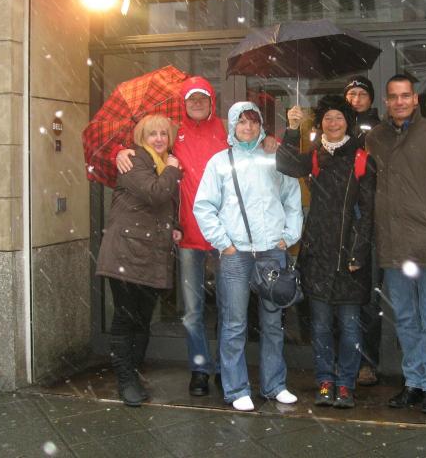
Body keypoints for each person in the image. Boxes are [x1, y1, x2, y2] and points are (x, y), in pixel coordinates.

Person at [116, 76, 228, 397]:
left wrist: (271, 141)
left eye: (202, 98)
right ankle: (200, 370)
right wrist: (121, 151)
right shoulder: (174, 134)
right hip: (187, 234)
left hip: (224, 235)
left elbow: (253, 143)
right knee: (192, 312)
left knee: (227, 310)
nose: (197, 103)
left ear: (211, 100)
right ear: (184, 103)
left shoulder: (226, 129)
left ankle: (226, 368)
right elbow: (146, 152)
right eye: (191, 99)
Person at [365, 73, 426, 415]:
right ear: (387, 100)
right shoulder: (376, 138)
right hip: (393, 245)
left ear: (415, 99)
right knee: (406, 318)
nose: (399, 102)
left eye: (405, 95)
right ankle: (414, 382)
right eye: (393, 96)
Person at [193, 102, 303, 412]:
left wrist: (288, 236)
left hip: (271, 250)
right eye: (241, 122)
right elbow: (204, 206)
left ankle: (274, 384)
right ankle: (236, 387)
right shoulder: (220, 162)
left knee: (273, 322)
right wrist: (224, 243)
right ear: (232, 126)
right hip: (236, 254)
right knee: (234, 323)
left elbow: (292, 198)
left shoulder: (274, 157)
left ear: (261, 125)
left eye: (253, 121)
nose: (248, 127)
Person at [277, 95, 376, 409]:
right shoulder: (316, 156)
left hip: (349, 257)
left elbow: (368, 213)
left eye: (339, 118)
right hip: (318, 254)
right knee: (320, 325)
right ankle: (324, 380)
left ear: (348, 122)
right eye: (328, 118)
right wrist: (292, 129)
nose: (333, 123)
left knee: (349, 326)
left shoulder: (361, 159)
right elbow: (285, 164)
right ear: (320, 124)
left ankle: (345, 383)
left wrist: (357, 253)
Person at [96, 115, 183, 407]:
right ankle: (125, 380)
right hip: (125, 252)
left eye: (163, 134)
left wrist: (176, 227)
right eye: (152, 134)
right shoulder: (133, 160)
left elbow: (163, 206)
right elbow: (156, 194)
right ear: (141, 138)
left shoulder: (162, 163)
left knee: (143, 319)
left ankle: (133, 372)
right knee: (126, 318)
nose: (159, 139)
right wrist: (172, 170)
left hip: (149, 254)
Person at [343, 76, 383, 387]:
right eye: (351, 94)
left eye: (361, 94)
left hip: (369, 216)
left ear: (370, 98)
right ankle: (344, 359)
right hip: (341, 217)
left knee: (368, 297)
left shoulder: (378, 129)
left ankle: (367, 362)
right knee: (342, 296)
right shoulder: (335, 124)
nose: (355, 99)